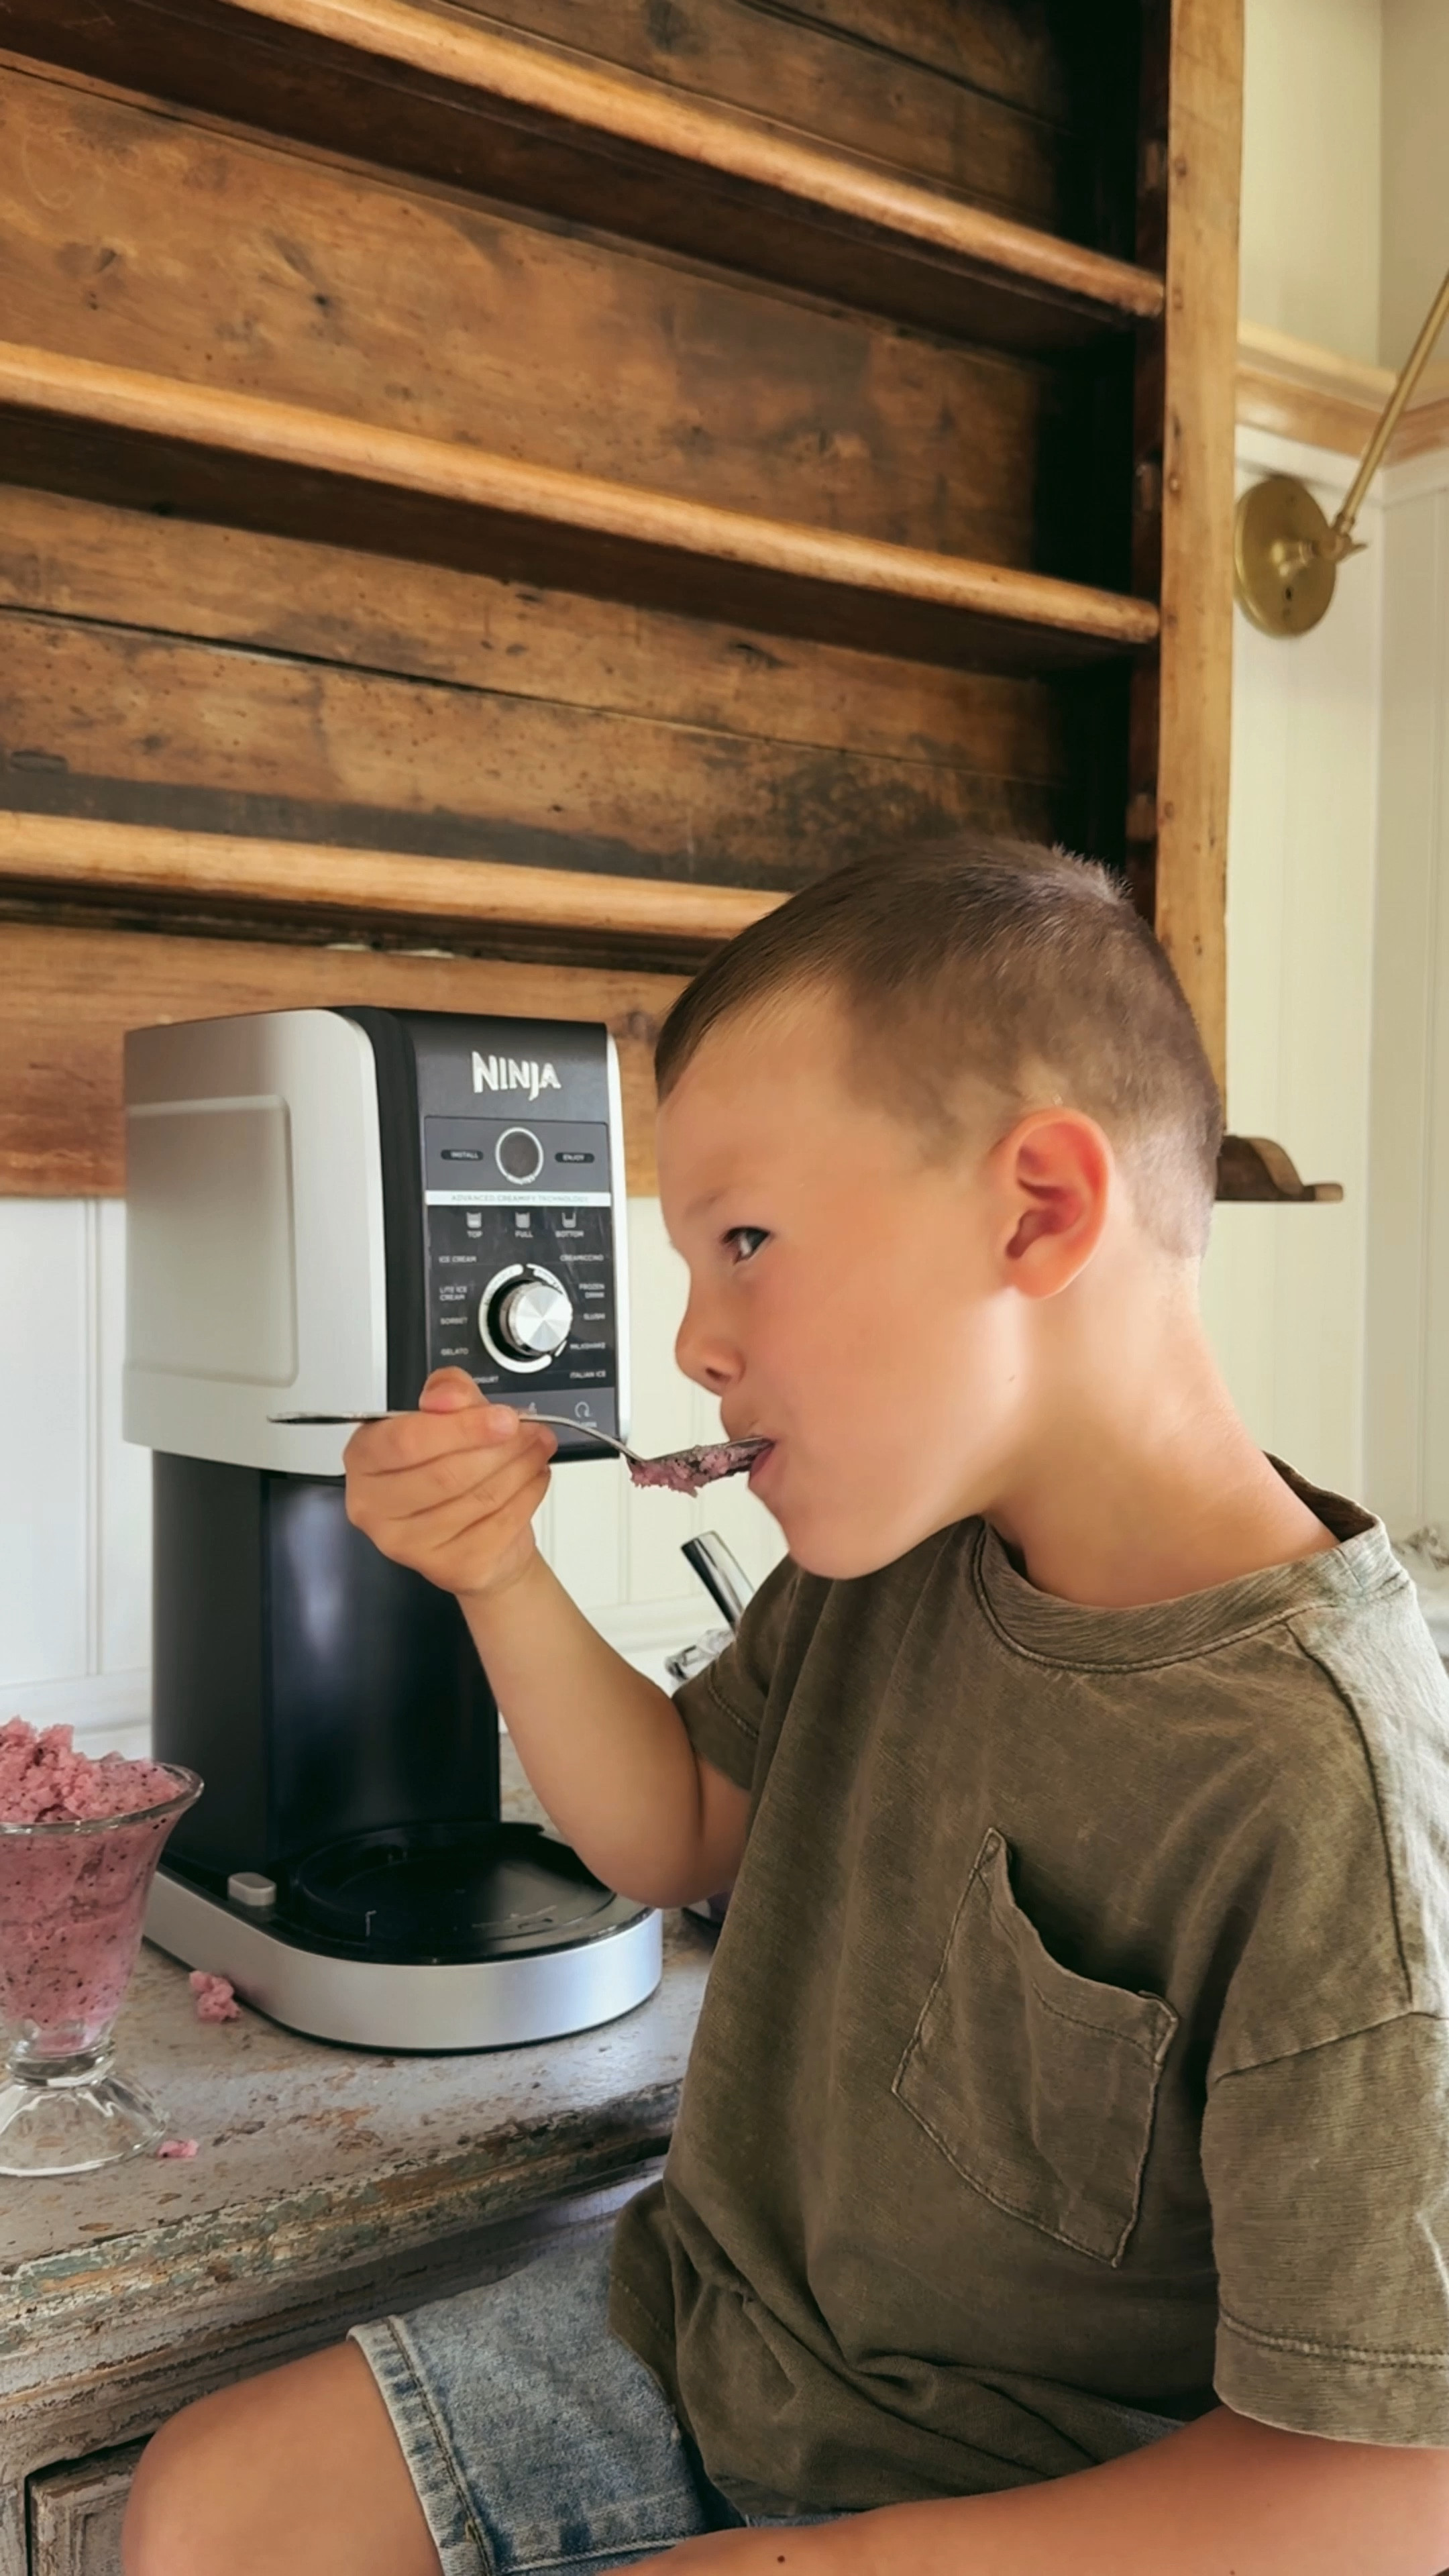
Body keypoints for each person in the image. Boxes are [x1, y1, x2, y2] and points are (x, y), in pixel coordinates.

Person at [124, 840, 1449, 2576]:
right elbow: (669, 1827)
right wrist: (500, 1572)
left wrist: (819, 2566)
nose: (694, 1342)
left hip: (1023, 2516)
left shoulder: (1324, 1785)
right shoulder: (893, 1559)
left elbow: (1384, 2499)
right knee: (212, 2512)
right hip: (704, 2348)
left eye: (746, 1240)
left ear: (1037, 1210)